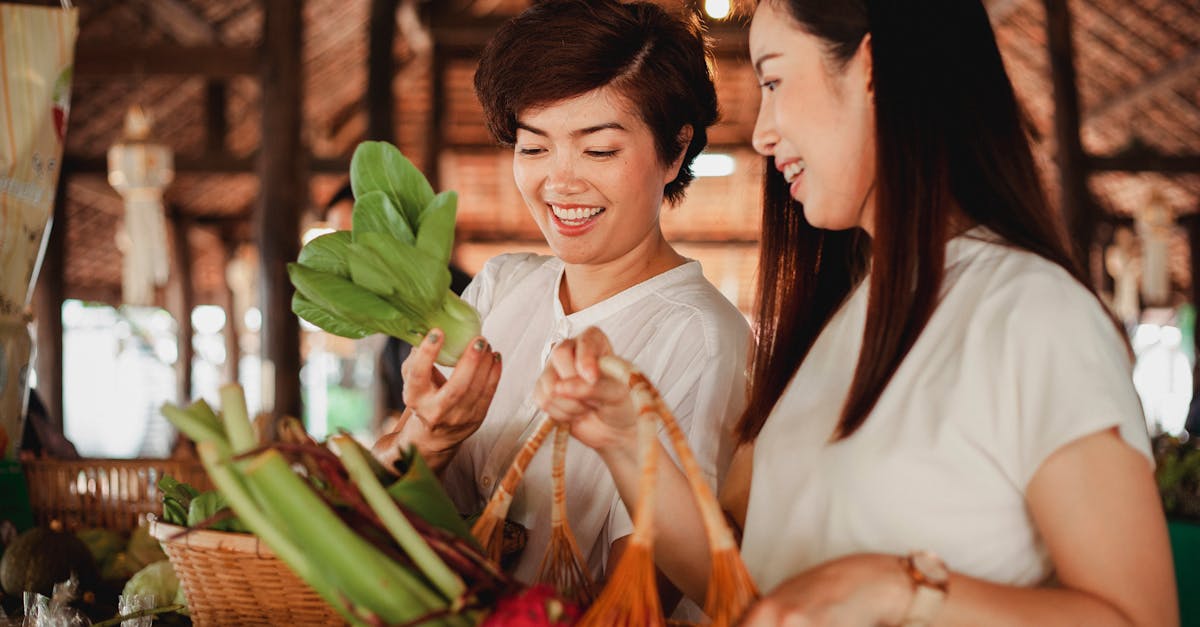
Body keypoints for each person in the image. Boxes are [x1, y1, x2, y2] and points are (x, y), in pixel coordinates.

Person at [534, 0, 1178, 625]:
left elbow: (1137, 616)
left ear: (871, 69)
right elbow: (746, 592)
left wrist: (901, 590)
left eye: (775, 80)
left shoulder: (1031, 311)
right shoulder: (839, 320)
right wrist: (625, 440)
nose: (762, 132)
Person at [370, 0, 750, 608]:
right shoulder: (500, 285)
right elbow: (372, 510)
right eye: (533, 148)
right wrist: (431, 436)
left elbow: (638, 597)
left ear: (674, 152)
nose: (560, 181)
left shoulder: (700, 337)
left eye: (598, 151)